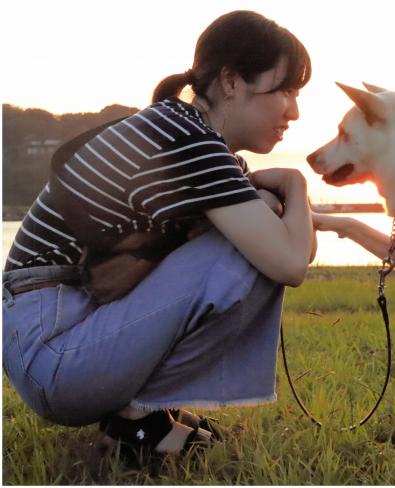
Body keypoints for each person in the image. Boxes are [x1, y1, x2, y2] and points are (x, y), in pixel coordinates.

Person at [2, 10, 315, 458]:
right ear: (230, 82)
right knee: (245, 251)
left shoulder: (194, 138)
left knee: (250, 243)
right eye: (285, 89)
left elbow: (295, 248)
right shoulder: (188, 140)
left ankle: (141, 414)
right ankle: (135, 424)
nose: (295, 111)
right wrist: (296, 187)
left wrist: (282, 205)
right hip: (50, 352)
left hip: (56, 344)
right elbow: (289, 262)